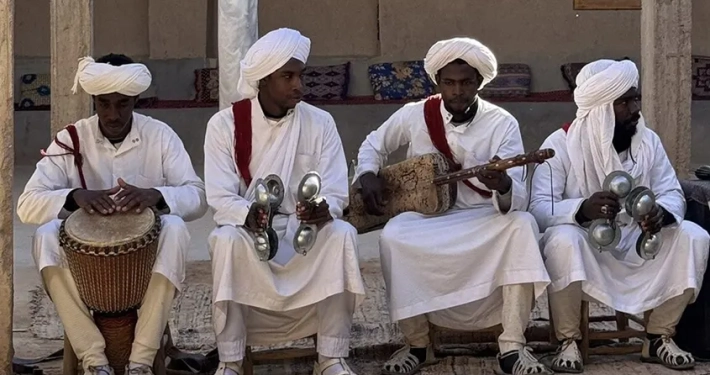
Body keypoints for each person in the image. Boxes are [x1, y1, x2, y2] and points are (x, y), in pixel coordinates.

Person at [353, 37, 552, 375]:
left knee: (522, 227)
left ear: (479, 83)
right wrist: (368, 173)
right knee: (394, 236)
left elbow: (516, 192)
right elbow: (374, 143)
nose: (457, 91)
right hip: (428, 219)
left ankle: (512, 345)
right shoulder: (416, 115)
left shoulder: (501, 123)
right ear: (438, 82)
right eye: (449, 82)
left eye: (466, 83)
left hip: (483, 217)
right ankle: (418, 345)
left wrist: (501, 184)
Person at [17, 54, 207, 375]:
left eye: (123, 104)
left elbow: (198, 196)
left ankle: (141, 361)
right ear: (93, 101)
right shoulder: (71, 139)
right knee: (45, 234)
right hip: (85, 269)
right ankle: (94, 360)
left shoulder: (159, 135)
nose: (113, 114)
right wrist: (75, 196)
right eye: (104, 104)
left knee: (174, 227)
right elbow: (27, 205)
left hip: (142, 266)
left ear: (135, 100)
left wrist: (156, 196)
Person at [529, 59, 710, 372]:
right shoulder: (560, 145)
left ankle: (657, 337)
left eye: (635, 98)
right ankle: (567, 341)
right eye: (624, 102)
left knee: (695, 235)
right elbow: (538, 208)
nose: (635, 108)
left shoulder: (647, 141)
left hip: (638, 242)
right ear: (600, 111)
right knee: (562, 240)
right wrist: (581, 210)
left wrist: (661, 213)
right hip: (587, 246)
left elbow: (671, 193)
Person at [204, 28, 366, 375]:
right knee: (224, 239)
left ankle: (331, 357)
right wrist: (249, 216)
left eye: (300, 75)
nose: (299, 85)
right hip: (251, 233)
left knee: (341, 235)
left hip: (302, 230)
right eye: (287, 76)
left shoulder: (320, 122)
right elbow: (219, 197)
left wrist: (325, 209)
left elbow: (337, 190)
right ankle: (230, 360)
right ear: (263, 80)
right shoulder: (225, 125)